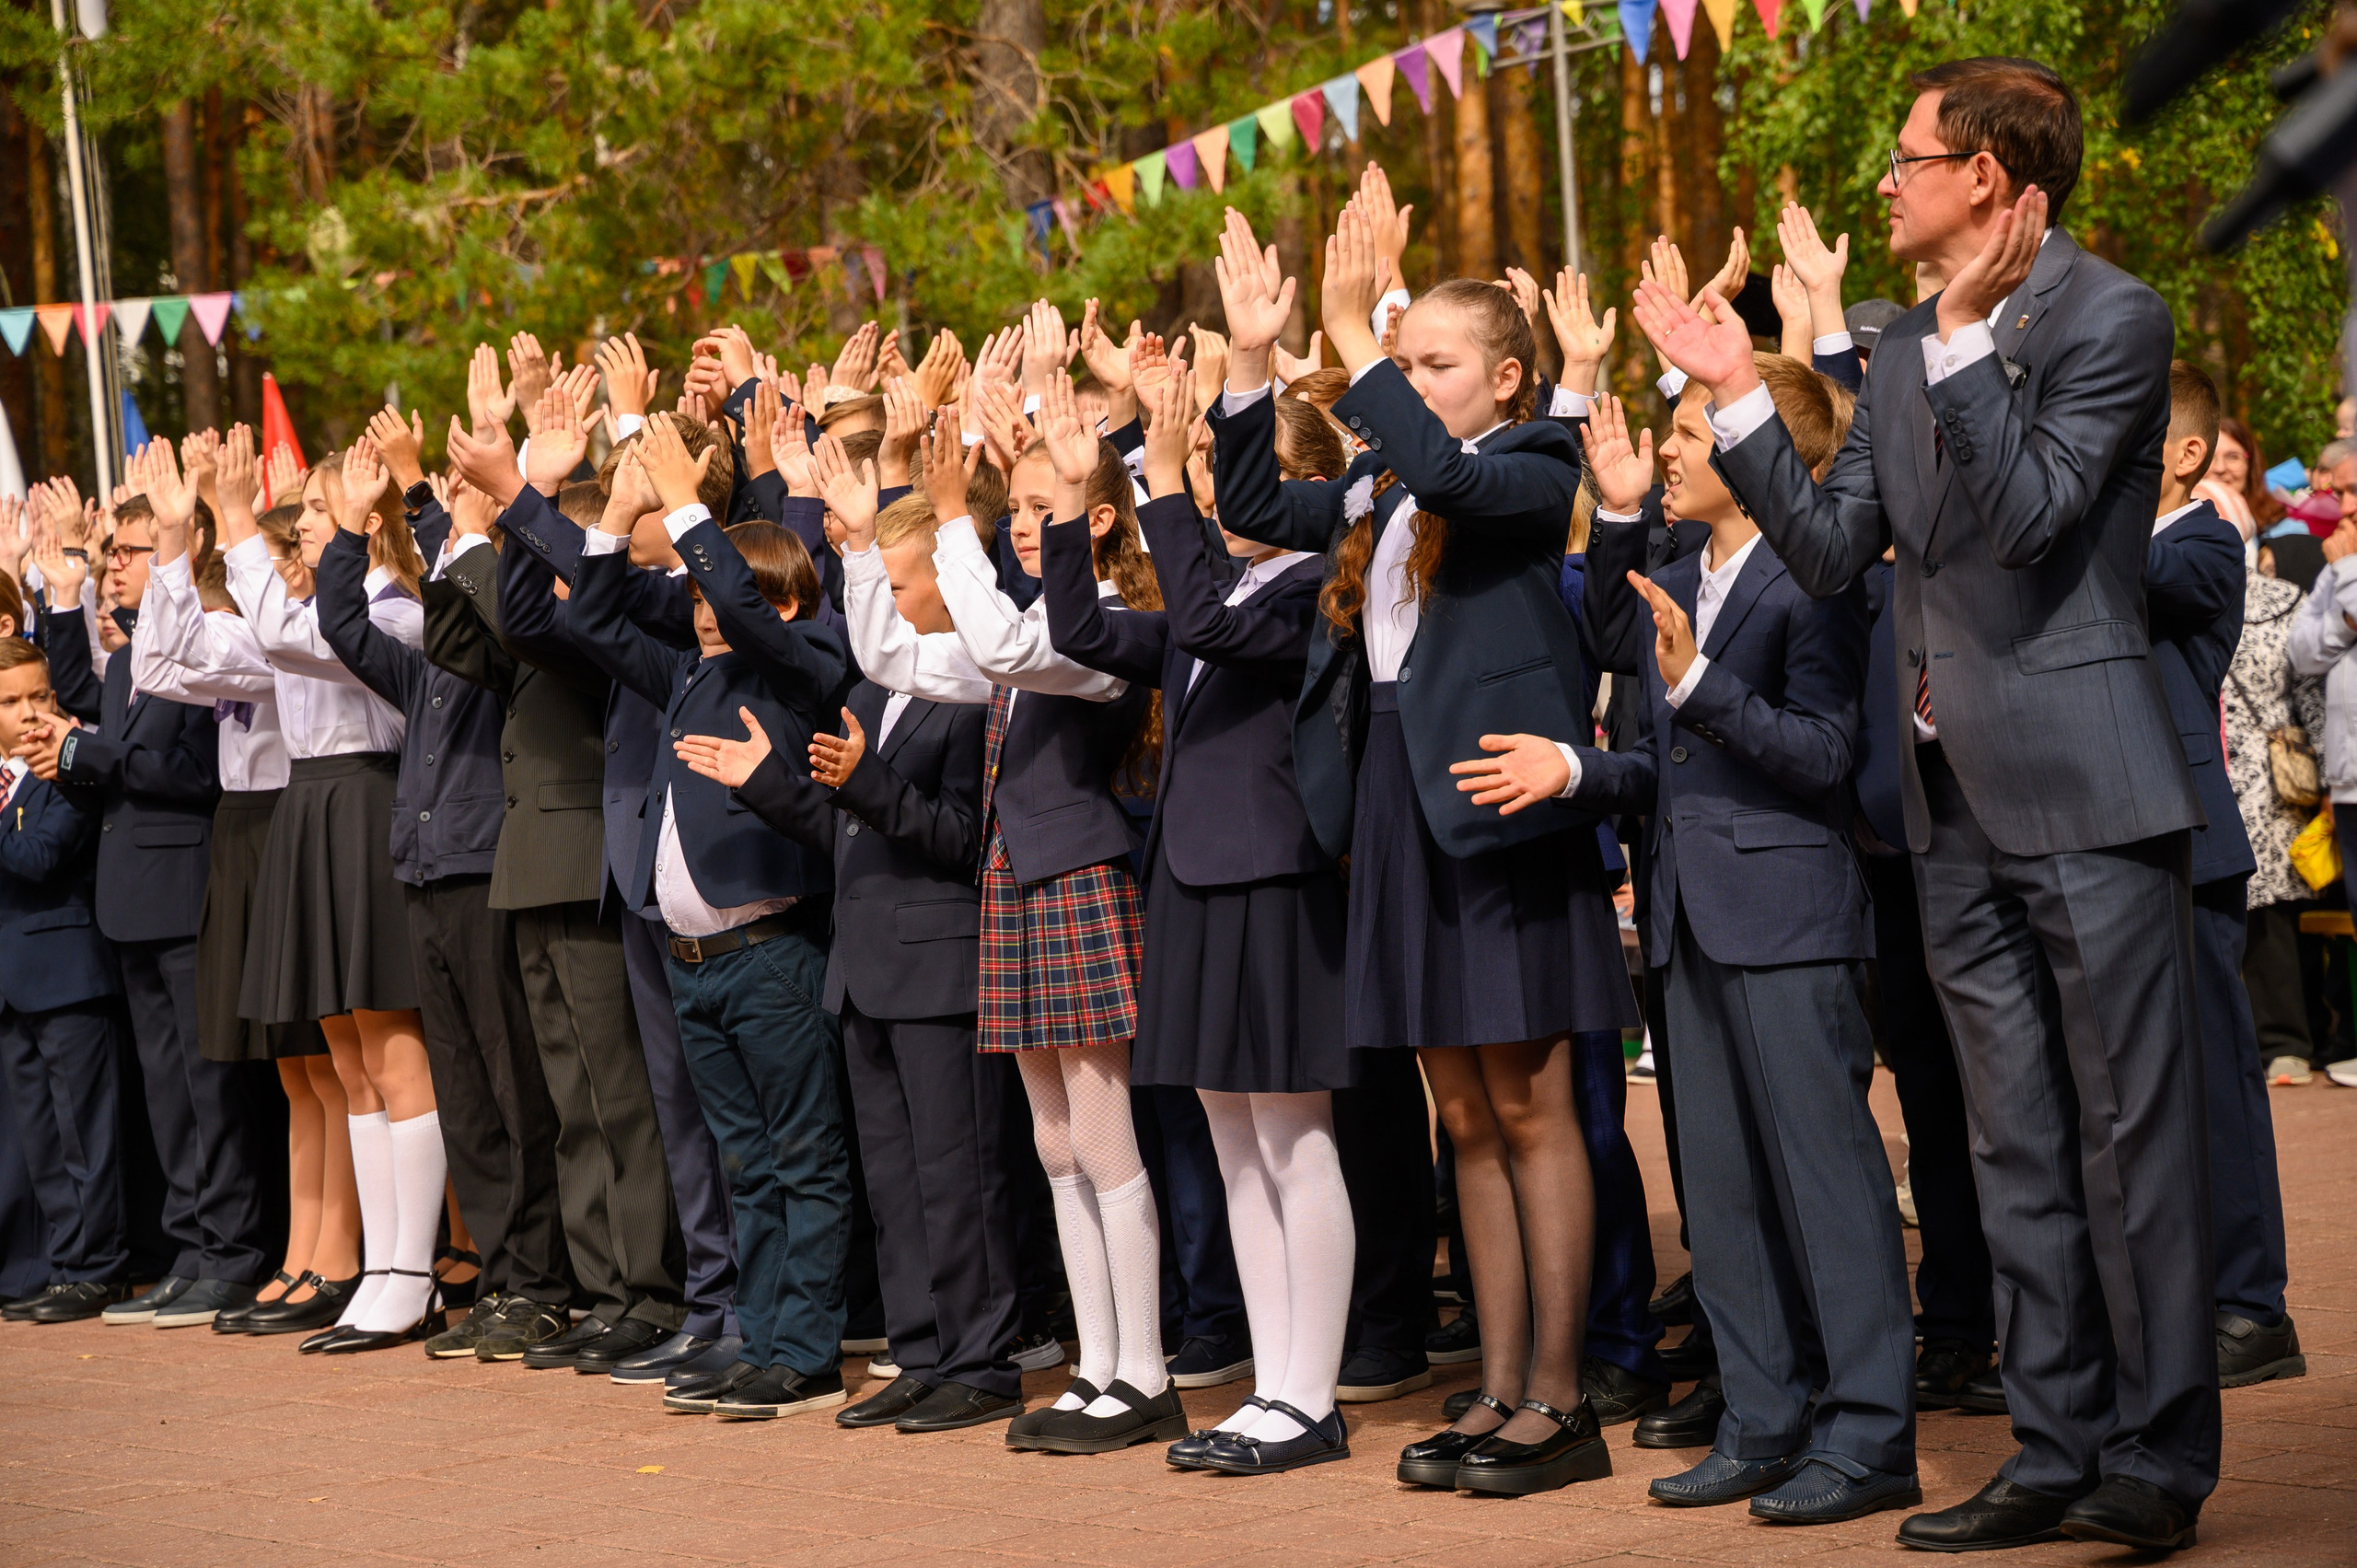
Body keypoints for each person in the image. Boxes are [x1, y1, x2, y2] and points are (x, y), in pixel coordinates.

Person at [1638, 56, 2217, 1552]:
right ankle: (2051, 1442)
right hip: (1946, 802)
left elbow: (2031, 521)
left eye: (1910, 159)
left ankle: (2158, 1456)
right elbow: (1836, 556)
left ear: (1995, 182)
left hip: (2089, 786)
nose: (1884, 182)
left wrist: (1959, 339)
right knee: (2012, 1140)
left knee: (2125, 1138)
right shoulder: (1897, 354)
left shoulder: (2112, 317)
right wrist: (1732, 400)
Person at [1213, 199, 1632, 1498]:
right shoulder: (1384, 480)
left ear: (1507, 376)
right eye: (1413, 360)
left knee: (1531, 1101)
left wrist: (1353, 341)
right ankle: (1500, 1383)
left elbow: (1459, 480)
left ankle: (1562, 1397)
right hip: (1402, 801)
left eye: (1437, 360)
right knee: (1460, 1108)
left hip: (1496, 803)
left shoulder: (1536, 459)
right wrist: (1247, 359)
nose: (1415, 378)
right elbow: (1242, 497)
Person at [1462, 357, 1917, 1524]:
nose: (1667, 449)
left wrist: (1701, 681)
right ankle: (1761, 1420)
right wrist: (1573, 764)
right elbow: (1620, 661)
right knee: (1716, 1191)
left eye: (1685, 433)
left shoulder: (1813, 583)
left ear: (1764, 456)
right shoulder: (1672, 567)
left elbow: (1823, 756)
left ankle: (1868, 1432)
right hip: (1681, 916)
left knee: (1825, 1181)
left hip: (1788, 911)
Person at [839, 318, 1180, 1456]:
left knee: (1104, 1129)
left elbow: (1010, 651)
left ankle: (1145, 1371)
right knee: (1051, 1142)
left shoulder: (1106, 628)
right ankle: (1094, 1365)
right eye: (1016, 511)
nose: (1023, 527)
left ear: (1094, 519)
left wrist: (951, 520)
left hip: (1076, 876)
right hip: (1013, 883)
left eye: (1041, 511)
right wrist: (860, 533)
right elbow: (897, 656)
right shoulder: (1019, 620)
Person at [1044, 324, 1357, 1473]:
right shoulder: (1209, 582)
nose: (1219, 484)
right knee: (1232, 1141)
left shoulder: (1311, 585)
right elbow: (1080, 630)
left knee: (1291, 1132)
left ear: (1306, 486)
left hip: (1272, 880)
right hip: (1192, 876)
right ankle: (1268, 1390)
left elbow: (1217, 625)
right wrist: (1078, 493)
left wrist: (1165, 478)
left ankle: (1310, 1394)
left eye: (1240, 466)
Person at [679, 490, 1026, 1436]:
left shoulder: (976, 687)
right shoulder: (876, 686)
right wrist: (769, 785)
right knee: (894, 1178)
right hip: (865, 959)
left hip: (940, 960)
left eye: (902, 582)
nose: (890, 601)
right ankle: (918, 1350)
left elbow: (963, 838)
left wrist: (866, 780)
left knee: (961, 1175)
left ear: (952, 584)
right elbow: (841, 827)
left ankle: (980, 1359)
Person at [569, 412, 856, 1422]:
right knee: (746, 1158)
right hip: (693, 961)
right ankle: (765, 1336)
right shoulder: (692, 671)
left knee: (801, 1153)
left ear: (778, 605)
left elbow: (745, 597)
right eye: (689, 592)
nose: (699, 607)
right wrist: (613, 512)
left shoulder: (796, 668)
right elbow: (595, 623)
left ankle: (806, 1347)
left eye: (714, 592)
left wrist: (689, 504)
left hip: (769, 952)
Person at [487, 373, 745, 1387]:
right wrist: (539, 504)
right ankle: (711, 1299)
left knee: (725, 1114)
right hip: (639, 870)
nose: (622, 487)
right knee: (676, 1108)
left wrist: (528, 493)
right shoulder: (625, 587)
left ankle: (738, 1305)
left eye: (637, 470)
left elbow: (699, 561)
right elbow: (531, 612)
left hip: (719, 880)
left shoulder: (708, 590)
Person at [435, 403, 692, 1374]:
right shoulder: (540, 610)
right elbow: (460, 643)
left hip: (585, 858)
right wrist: (476, 528)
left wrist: (511, 502)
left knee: (615, 1089)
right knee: (570, 1094)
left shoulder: (604, 616)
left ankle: (648, 1286)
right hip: (532, 863)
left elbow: (541, 625)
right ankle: (603, 1283)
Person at [311, 429, 571, 1362]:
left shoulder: (499, 645)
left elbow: (481, 620)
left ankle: (542, 1281)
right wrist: (349, 525)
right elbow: (342, 628)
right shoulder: (420, 668)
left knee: (514, 1089)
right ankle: (499, 1276)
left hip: (483, 877)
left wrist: (440, 510)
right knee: (464, 1096)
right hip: (422, 877)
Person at [220, 435, 448, 1353]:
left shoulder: (392, 604)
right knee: (350, 1057)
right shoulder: (319, 599)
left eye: (314, 513)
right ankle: (382, 1269)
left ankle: (414, 1269)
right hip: (316, 804)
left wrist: (236, 520)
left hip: (366, 797)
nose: (301, 532)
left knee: (393, 1048)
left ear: (364, 517)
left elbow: (291, 635)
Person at [125, 441, 345, 1337]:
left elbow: (211, 650)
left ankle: (340, 1253)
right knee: (296, 1069)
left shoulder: (292, 635)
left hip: (292, 819)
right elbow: (156, 661)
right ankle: (305, 1248)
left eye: (294, 556)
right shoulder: (251, 629)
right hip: (246, 831)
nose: (282, 572)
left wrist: (213, 534)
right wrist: (175, 535)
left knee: (331, 1063)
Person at [30, 484, 261, 1330]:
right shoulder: (129, 655)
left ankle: (233, 1252)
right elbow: (71, 694)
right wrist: (63, 587)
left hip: (188, 882)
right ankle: (189, 1247)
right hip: (130, 891)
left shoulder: (203, 643)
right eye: (109, 555)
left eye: (124, 552)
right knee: (167, 1087)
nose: (112, 567)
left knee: (209, 1084)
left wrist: (93, 754)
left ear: (178, 545)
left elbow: (200, 774)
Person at [0, 638, 128, 1323]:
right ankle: (60, 1264)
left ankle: (98, 1266)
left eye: (39, 697)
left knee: (86, 1134)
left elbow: (43, 856)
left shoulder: (67, 772)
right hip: (12, 985)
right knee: (41, 1139)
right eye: (11, 701)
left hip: (69, 976)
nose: (29, 714)